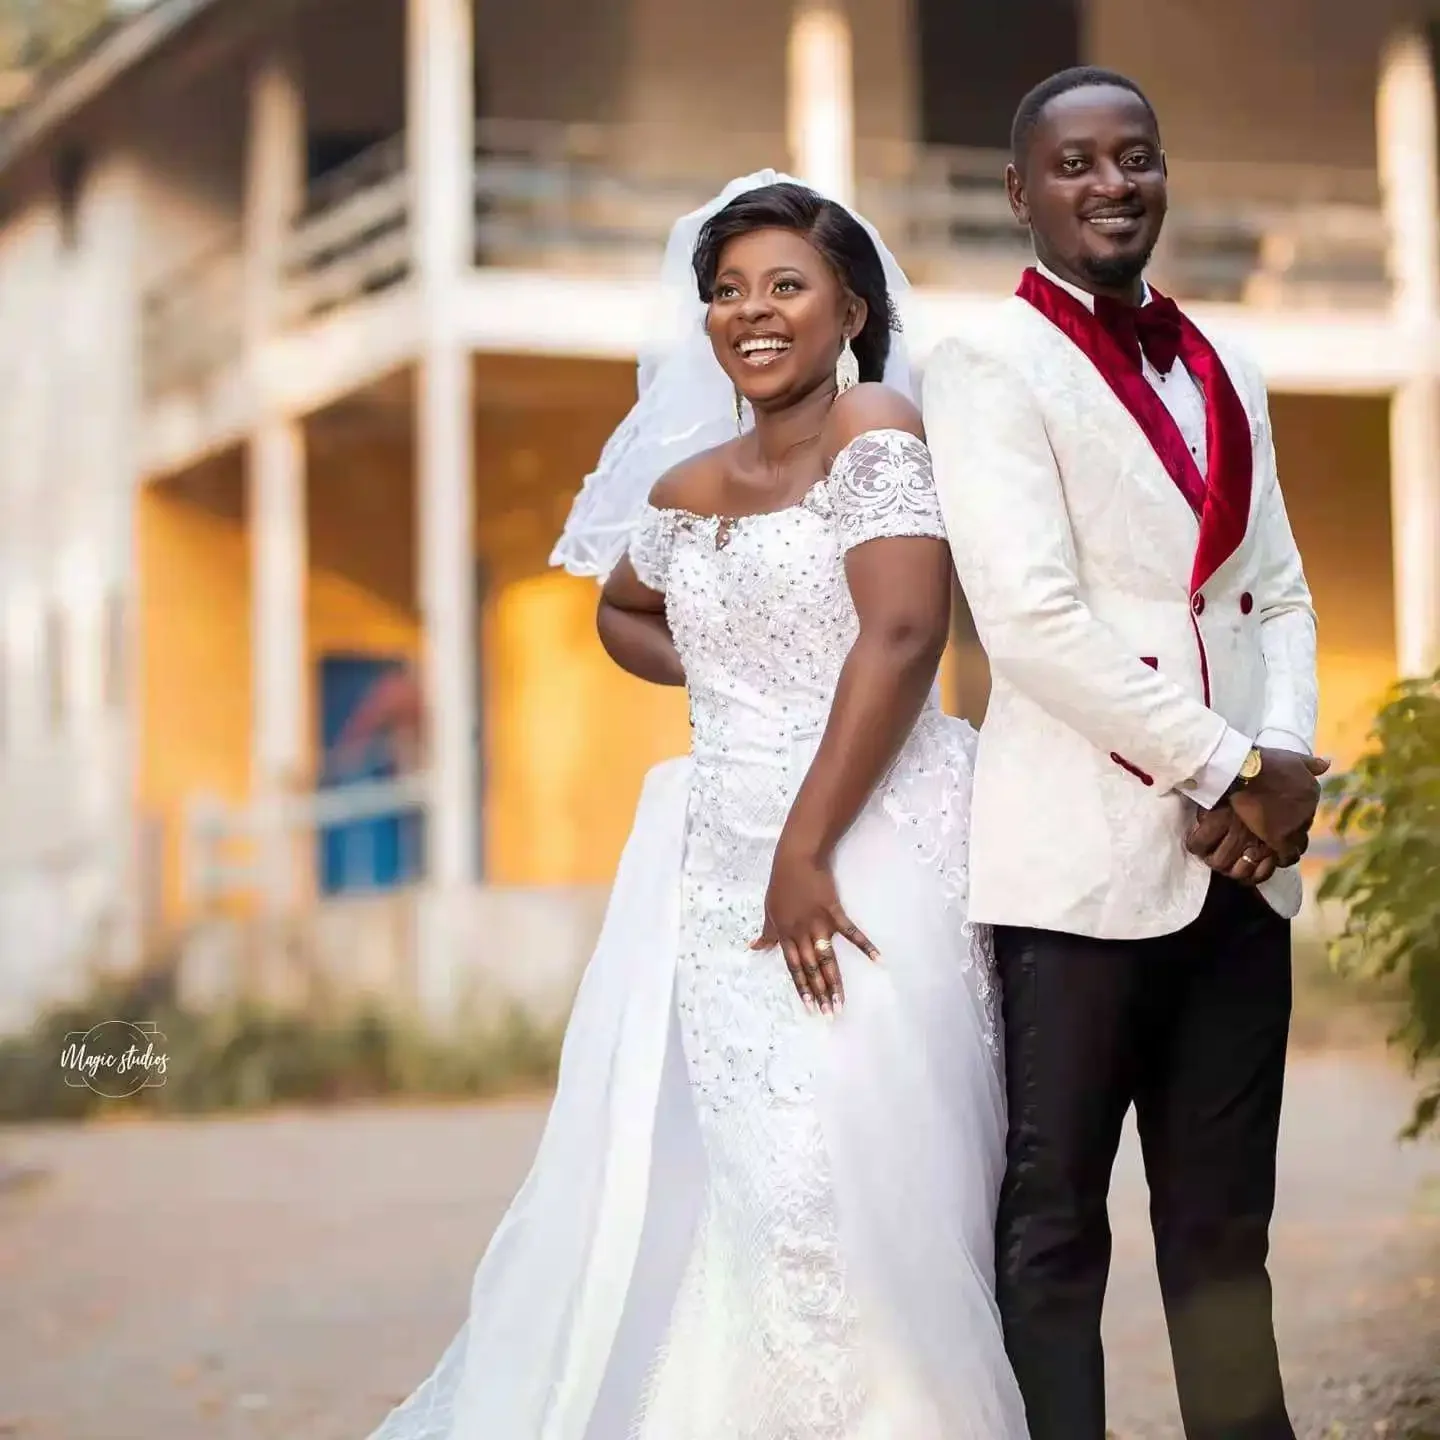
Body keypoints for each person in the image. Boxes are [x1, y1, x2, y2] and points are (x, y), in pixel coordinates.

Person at [365, 173, 1027, 1439]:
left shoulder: (875, 426)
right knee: (755, 1180)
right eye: (726, 291)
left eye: (786, 285)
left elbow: (900, 634)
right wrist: (722, 678)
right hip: (722, 860)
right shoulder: (691, 484)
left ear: (851, 308)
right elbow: (623, 606)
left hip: (869, 844)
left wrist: (805, 845)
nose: (751, 313)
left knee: (862, 1164)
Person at [923, 67, 1324, 1440]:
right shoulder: (985, 366)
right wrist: (1227, 769)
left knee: (1226, 1228)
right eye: (1078, 164)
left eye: (1135, 158)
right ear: (1021, 192)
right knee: (1053, 1224)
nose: (1112, 185)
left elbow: (1278, 592)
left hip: (1240, 877)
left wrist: (1287, 757)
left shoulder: (1231, 362)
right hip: (1075, 873)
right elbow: (1029, 623)